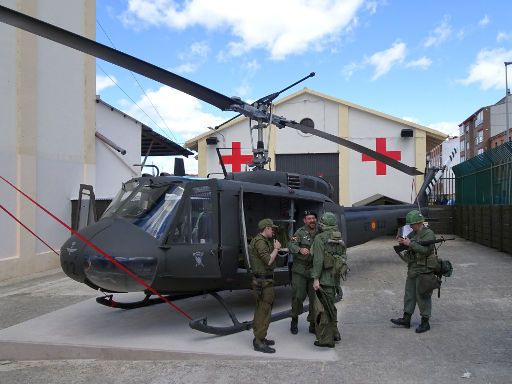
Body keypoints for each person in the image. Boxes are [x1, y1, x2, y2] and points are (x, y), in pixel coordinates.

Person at [391, 210, 437, 333]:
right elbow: (409, 242)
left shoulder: (429, 234)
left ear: (419, 223)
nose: (410, 226)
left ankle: (425, 322)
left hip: (424, 269)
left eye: (412, 224)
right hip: (413, 268)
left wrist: (410, 243)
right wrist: (403, 241)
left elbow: (426, 251)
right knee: (409, 294)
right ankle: (406, 318)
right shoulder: (414, 233)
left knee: (422, 295)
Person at [311, 212, 346, 348]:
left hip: (324, 279)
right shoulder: (338, 237)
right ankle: (335, 333)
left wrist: (315, 279)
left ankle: (326, 340)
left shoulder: (320, 238)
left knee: (322, 309)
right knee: (331, 306)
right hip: (335, 277)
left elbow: (318, 261)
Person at [249, 218, 281, 353]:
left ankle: (259, 337)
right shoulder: (261, 242)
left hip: (263, 281)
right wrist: (276, 249)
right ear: (266, 228)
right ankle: (259, 341)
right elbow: (268, 261)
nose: (273, 231)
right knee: (264, 311)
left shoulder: (260, 240)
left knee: (261, 310)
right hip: (263, 283)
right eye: (271, 228)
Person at [287, 210, 319, 335]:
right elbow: (290, 244)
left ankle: (313, 324)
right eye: (309, 218)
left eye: (313, 218)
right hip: (300, 270)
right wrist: (299, 249)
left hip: (313, 271)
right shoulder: (299, 233)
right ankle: (294, 319)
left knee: (314, 299)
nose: (312, 220)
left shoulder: (320, 232)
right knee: (298, 297)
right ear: (305, 220)